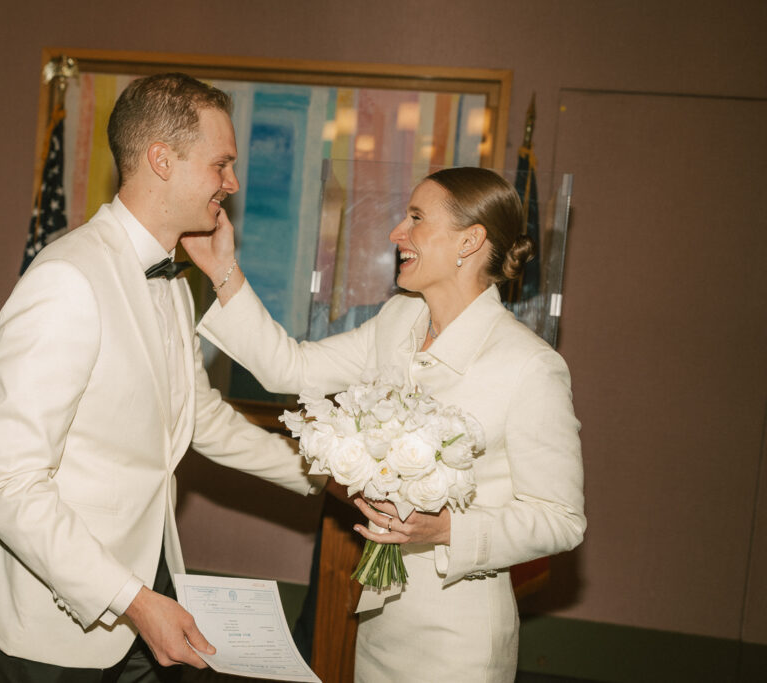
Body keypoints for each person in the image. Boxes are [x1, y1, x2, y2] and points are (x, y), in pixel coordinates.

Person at [0, 73, 322, 683]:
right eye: (222, 165)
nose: (232, 184)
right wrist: (132, 599)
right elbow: (7, 484)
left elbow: (199, 415)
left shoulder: (173, 281)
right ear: (163, 160)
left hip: (149, 588)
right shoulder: (68, 280)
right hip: (62, 627)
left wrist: (321, 476)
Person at [183, 166, 586, 682]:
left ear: (471, 240)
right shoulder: (400, 319)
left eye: (416, 218)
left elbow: (561, 519)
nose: (397, 233)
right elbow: (293, 368)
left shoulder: (529, 366)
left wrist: (448, 529)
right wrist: (222, 270)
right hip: (380, 619)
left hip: (458, 639)